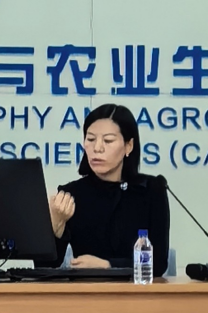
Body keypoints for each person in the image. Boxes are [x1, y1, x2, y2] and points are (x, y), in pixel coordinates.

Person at [37, 103, 170, 277]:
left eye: (108, 141)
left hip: (137, 291)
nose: (97, 148)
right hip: (86, 291)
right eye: (90, 139)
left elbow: (158, 264)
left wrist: (108, 265)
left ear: (128, 146)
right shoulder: (71, 194)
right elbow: (44, 268)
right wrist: (56, 226)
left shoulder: (151, 190)